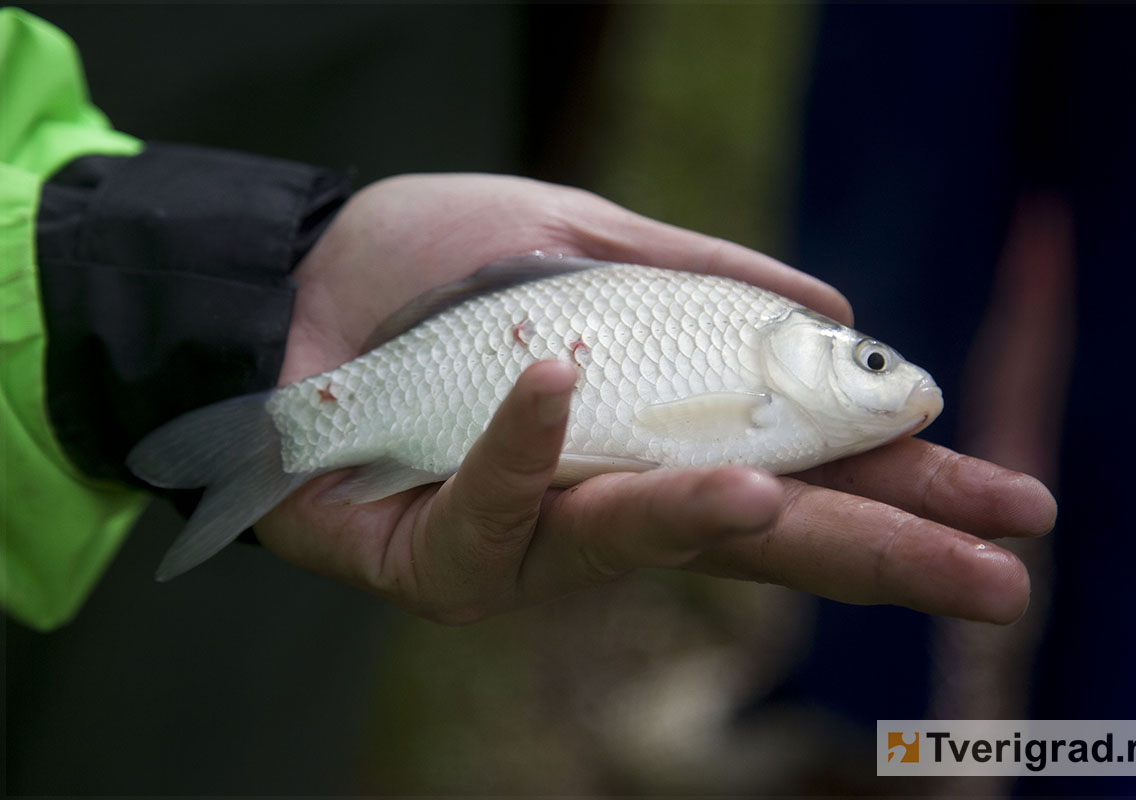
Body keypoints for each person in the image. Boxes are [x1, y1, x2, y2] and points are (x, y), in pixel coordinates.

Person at [1, 8, 1055, 632]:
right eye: (871, 361)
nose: (896, 384)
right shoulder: (761, 365)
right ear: (806, 355)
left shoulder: (766, 371)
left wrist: (115, 283)